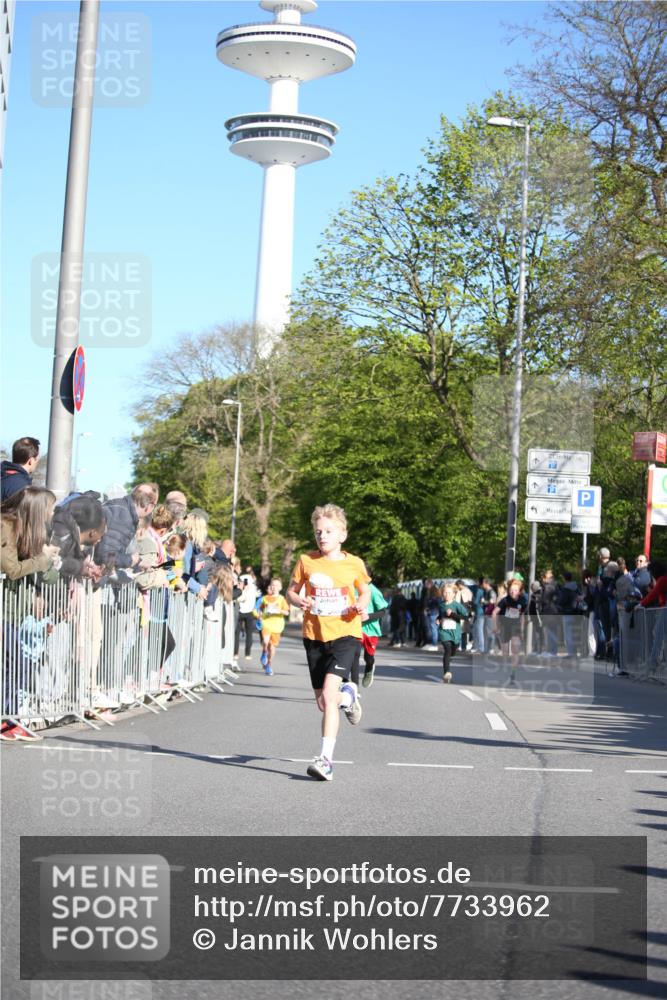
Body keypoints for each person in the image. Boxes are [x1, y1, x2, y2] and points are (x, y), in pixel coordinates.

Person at [286, 504, 370, 782]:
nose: (322, 536)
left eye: (329, 531)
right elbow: (291, 592)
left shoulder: (354, 563)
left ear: (342, 535)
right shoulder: (306, 561)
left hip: (346, 634)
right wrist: (300, 600)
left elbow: (364, 590)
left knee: (330, 692)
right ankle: (350, 697)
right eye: (318, 531)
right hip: (314, 636)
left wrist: (360, 604)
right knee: (325, 703)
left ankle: (326, 761)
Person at [1, 487, 60, 741]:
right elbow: (11, 569)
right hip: (3, 611)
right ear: (36, 509)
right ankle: (8, 720)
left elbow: (48, 575)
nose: (51, 514)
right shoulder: (6, 525)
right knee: (17, 667)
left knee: (17, 667)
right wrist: (42, 560)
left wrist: (48, 562)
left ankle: (11, 720)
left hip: (14, 613)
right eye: (49, 509)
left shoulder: (29, 530)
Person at [492, 577, 528, 685]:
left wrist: (522, 629)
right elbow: (494, 613)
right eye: (511, 590)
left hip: (515, 627)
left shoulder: (523, 600)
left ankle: (513, 673)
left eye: (516, 590)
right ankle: (506, 668)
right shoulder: (505, 600)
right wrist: (495, 627)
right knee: (505, 651)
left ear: (519, 591)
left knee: (515, 648)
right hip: (504, 627)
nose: (513, 592)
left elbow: (522, 615)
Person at [359, 565, 389, 688]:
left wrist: (368, 616)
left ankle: (369, 668)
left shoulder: (374, 591)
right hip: (356, 628)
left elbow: (382, 612)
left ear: (369, 577)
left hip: (371, 629)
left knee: (368, 656)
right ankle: (349, 681)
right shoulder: (353, 589)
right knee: (352, 653)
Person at [257, 578, 290, 676]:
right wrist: (259, 615)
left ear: (280, 588)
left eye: (276, 585)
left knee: (272, 647)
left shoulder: (282, 599)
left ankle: (269, 665)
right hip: (266, 623)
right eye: (272, 585)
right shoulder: (265, 598)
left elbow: (287, 612)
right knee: (266, 641)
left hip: (277, 625)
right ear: (270, 587)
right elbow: (260, 610)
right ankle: (264, 652)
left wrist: (279, 610)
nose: (274, 587)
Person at [437, 582, 468, 683]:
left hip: (455, 633)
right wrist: (438, 619)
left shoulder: (457, 605)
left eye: (449, 593)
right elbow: (441, 615)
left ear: (454, 594)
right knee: (447, 650)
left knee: (453, 651)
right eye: (445, 592)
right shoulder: (441, 605)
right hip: (444, 632)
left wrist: (453, 614)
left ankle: (449, 661)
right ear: (442, 593)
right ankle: (446, 673)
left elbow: (466, 616)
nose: (447, 595)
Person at [1, 437, 40, 501]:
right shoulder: (22, 487)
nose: (37, 462)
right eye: (37, 460)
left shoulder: (4, 476)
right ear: (31, 461)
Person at [235, 570, 259, 663]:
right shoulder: (254, 587)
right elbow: (258, 594)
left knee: (237, 633)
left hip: (240, 611)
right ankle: (247, 654)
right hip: (249, 612)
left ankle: (235, 653)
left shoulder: (241, 587)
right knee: (249, 633)